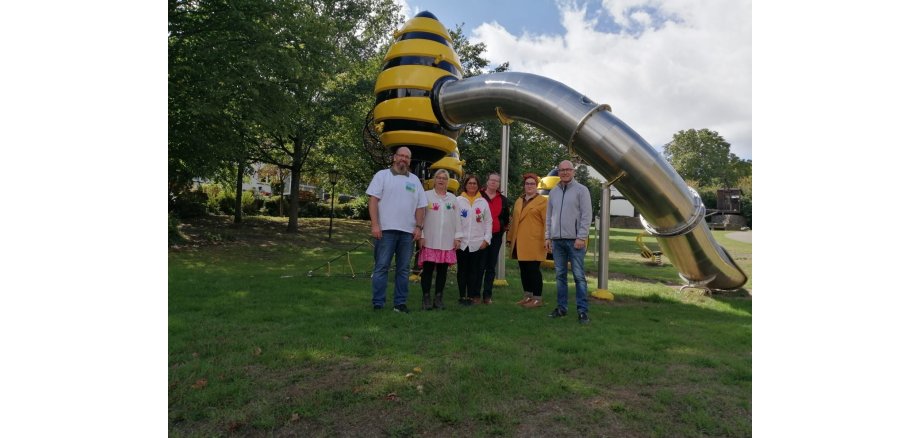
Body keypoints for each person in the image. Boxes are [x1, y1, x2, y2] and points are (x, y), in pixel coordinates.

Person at [366, 146, 427, 313]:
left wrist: (419, 227)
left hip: (407, 233)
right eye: (401, 155)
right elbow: (373, 201)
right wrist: (375, 224)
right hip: (385, 231)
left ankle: (400, 304)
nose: (404, 159)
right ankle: (378, 303)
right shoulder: (382, 176)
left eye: (407, 157)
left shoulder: (415, 180)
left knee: (403, 269)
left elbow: (421, 207)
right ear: (394, 157)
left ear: (409, 160)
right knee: (381, 267)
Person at [544, 160, 593, 324]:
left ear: (573, 171)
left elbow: (587, 216)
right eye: (561, 170)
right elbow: (549, 217)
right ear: (558, 172)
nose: (564, 172)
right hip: (557, 241)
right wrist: (547, 236)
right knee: (560, 276)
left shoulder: (582, 190)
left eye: (568, 170)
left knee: (579, 276)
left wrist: (581, 237)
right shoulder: (553, 192)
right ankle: (561, 308)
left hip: (575, 241)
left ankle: (582, 311)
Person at [418, 169, 461, 310]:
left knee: (442, 271)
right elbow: (420, 217)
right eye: (439, 178)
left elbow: (457, 219)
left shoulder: (453, 198)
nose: (441, 180)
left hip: (447, 241)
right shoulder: (426, 196)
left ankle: (438, 298)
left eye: (444, 178)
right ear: (434, 180)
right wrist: (422, 235)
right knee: (428, 270)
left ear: (448, 182)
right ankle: (426, 298)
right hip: (430, 239)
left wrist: (457, 237)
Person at [506, 173, 548, 308]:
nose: (529, 186)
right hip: (520, 241)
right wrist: (510, 238)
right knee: (524, 270)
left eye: (532, 184)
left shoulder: (543, 201)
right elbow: (514, 221)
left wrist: (548, 238)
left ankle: (537, 298)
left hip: (535, 241)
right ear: (524, 186)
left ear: (537, 186)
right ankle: (527, 296)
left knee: (533, 271)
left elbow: (547, 222)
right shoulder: (519, 200)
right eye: (527, 183)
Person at [455, 174, 492, 306]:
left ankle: (471, 296)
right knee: (462, 270)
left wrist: (486, 239)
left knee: (474, 271)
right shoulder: (458, 200)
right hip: (462, 242)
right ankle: (462, 296)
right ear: (465, 185)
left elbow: (488, 222)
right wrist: (457, 238)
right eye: (469, 183)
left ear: (478, 186)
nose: (472, 185)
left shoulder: (483, 202)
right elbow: (455, 221)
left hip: (477, 243)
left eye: (474, 183)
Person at [479, 172, 510, 304]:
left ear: (499, 184)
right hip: (479, 236)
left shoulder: (503, 200)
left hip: (496, 236)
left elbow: (506, 218)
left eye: (496, 181)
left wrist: (502, 229)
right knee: (478, 265)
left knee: (491, 266)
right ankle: (474, 294)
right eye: (492, 180)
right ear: (487, 181)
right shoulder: (479, 196)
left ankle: (487, 295)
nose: (494, 183)